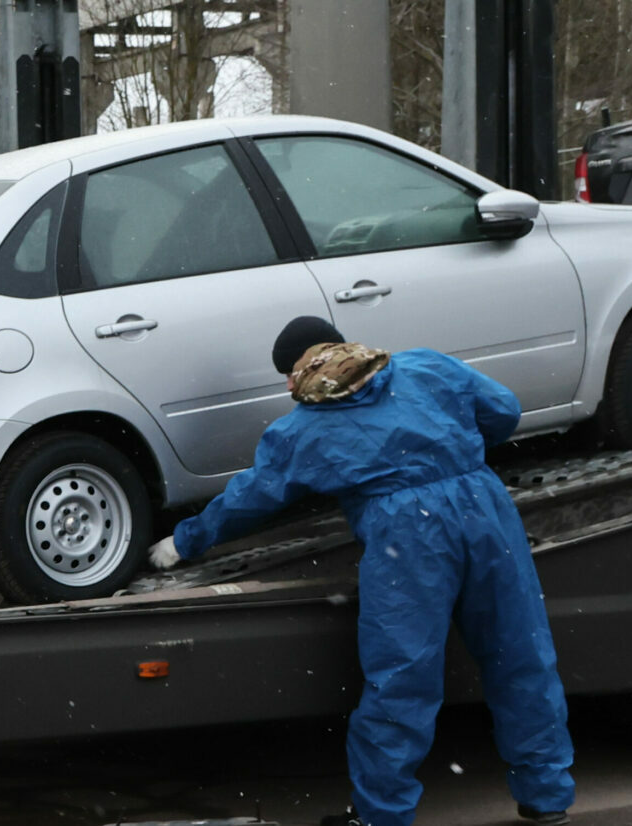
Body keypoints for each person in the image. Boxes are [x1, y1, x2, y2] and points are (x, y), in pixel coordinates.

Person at [148, 316, 576, 826]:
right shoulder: (426, 365)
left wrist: (185, 540)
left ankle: (382, 815)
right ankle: (546, 797)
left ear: (296, 372)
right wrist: (448, 451)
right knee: (521, 656)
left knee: (402, 679)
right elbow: (503, 411)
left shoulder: (304, 429)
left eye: (285, 375)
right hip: (486, 510)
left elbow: (249, 500)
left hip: (408, 538)